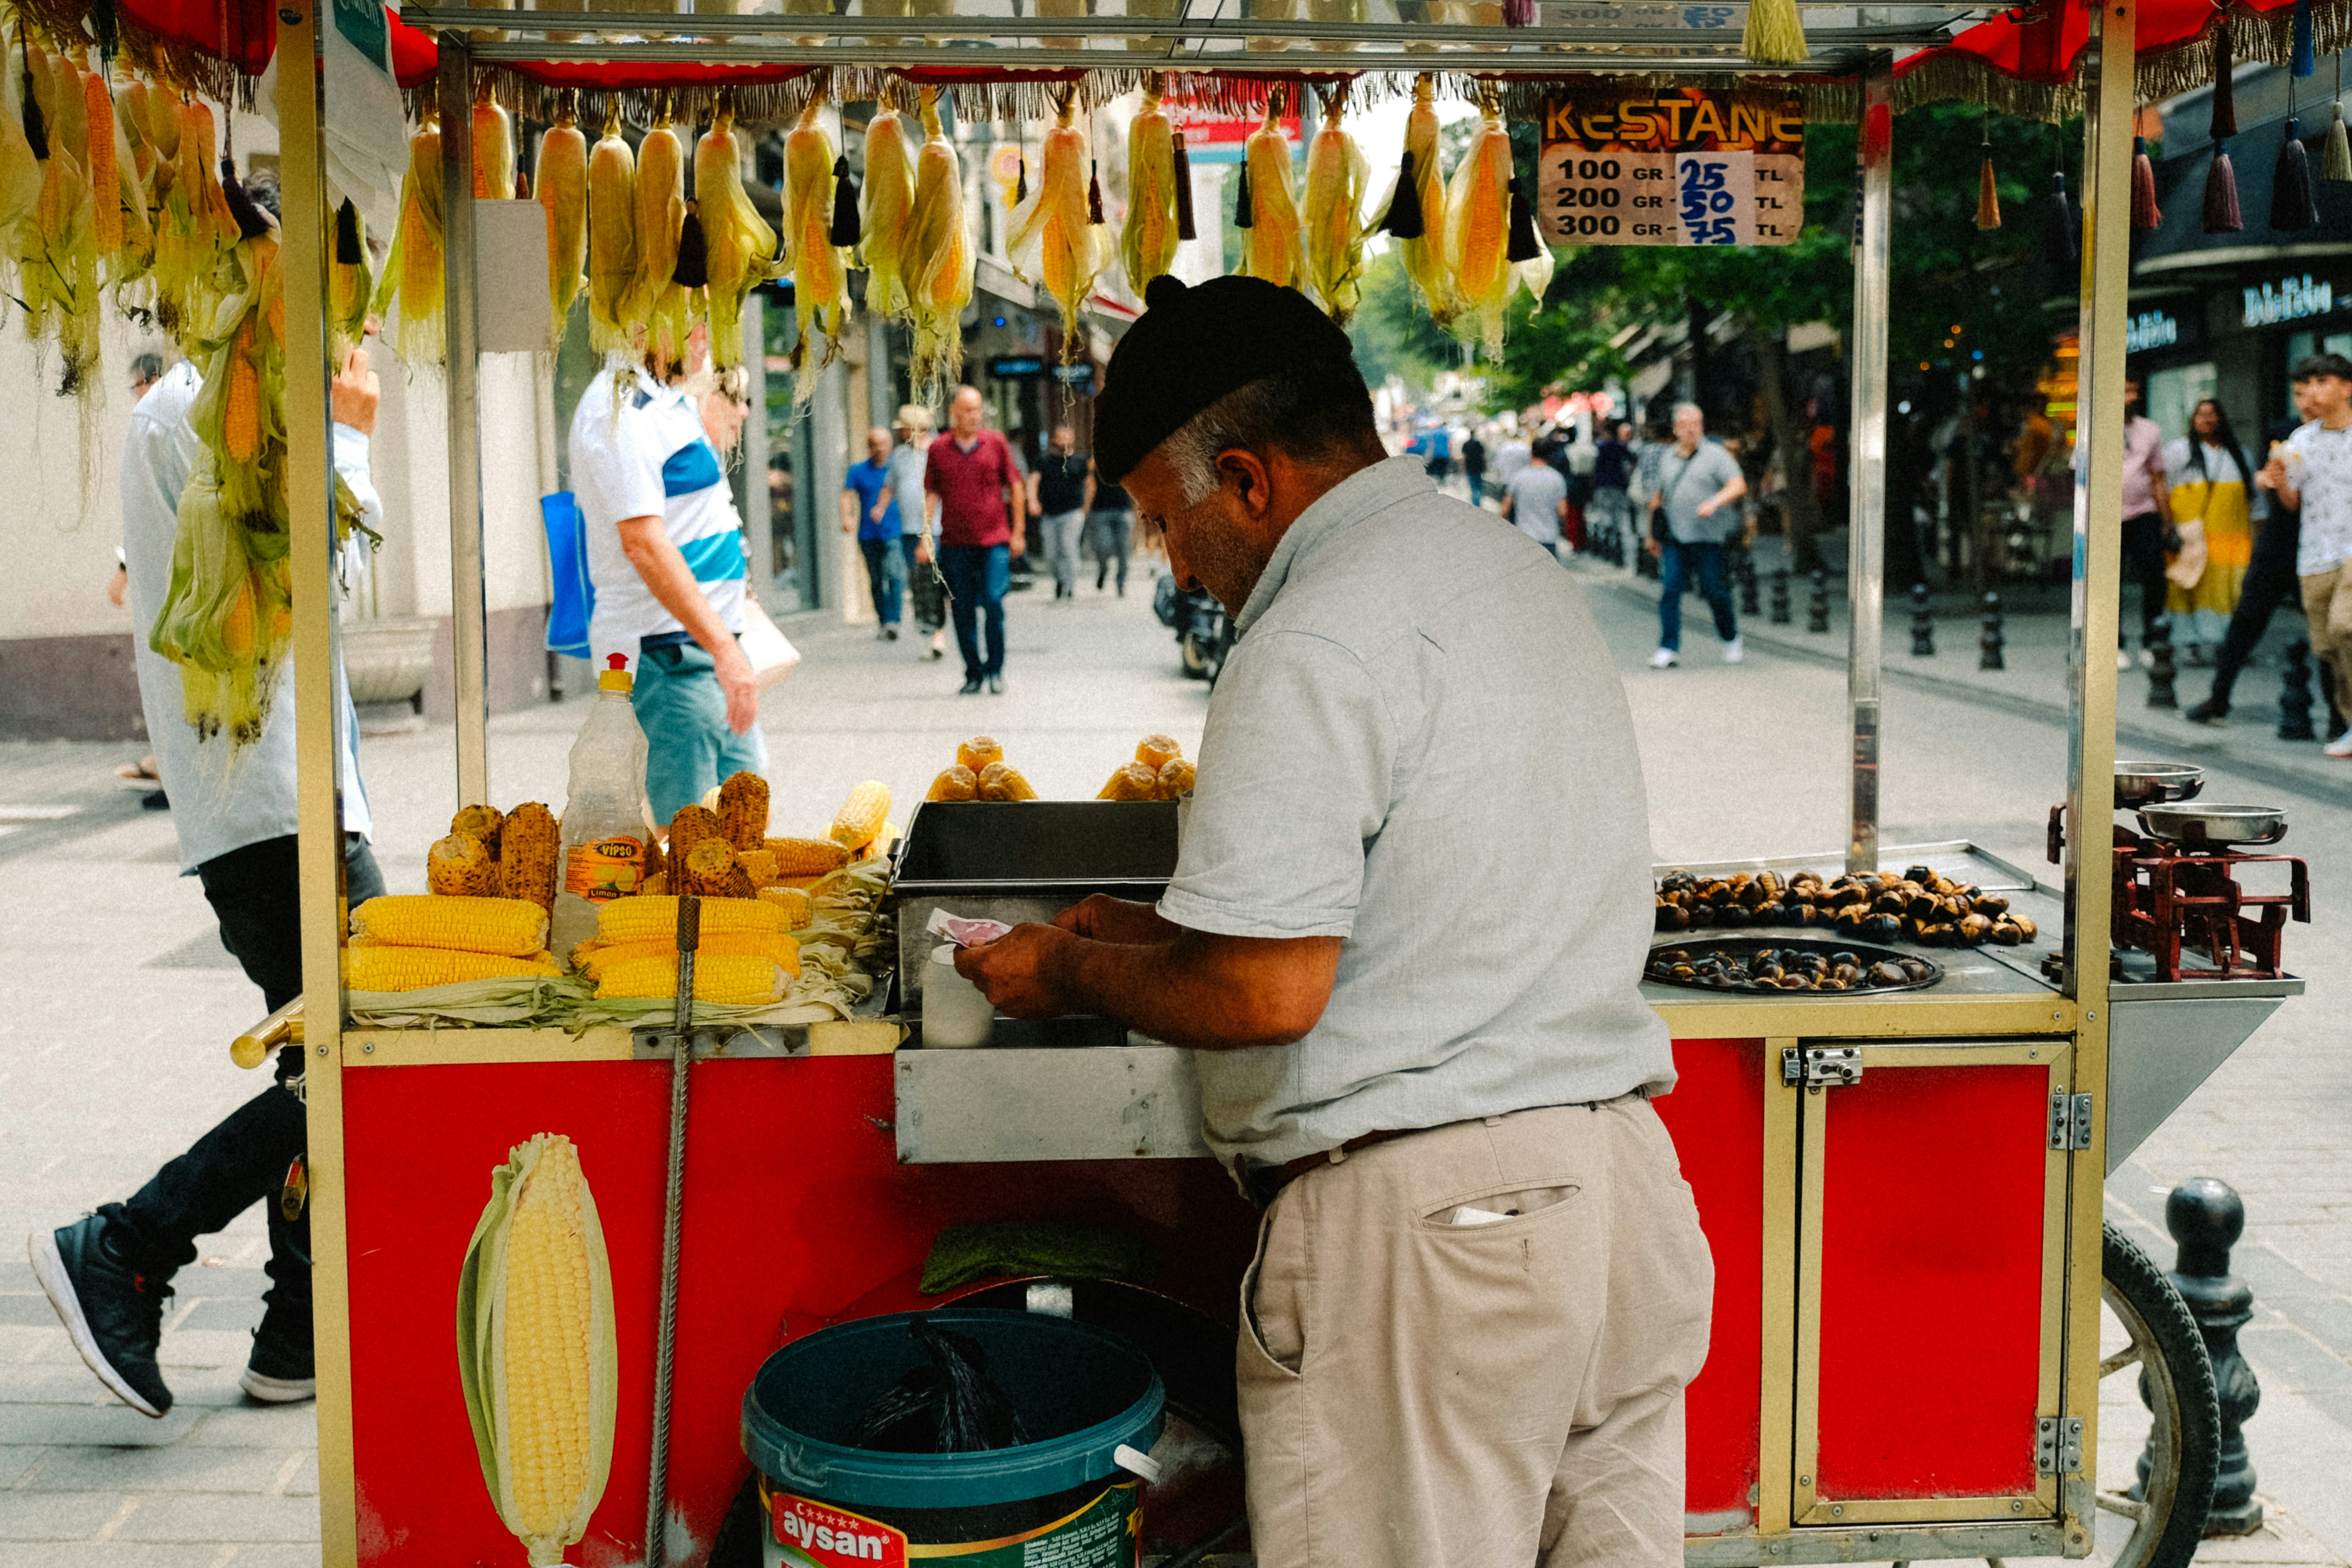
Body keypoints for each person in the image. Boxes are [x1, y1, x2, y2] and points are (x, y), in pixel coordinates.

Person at [956, 274, 1713, 1568]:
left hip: (1436, 1256)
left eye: (1160, 520)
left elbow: (1268, 995)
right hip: (1622, 1211)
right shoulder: (1504, 568)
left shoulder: (1308, 634)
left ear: (1245, 478)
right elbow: (1416, 912)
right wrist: (1143, 930)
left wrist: (1074, 965)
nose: (1172, 564)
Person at [32, 176, 387, 1420]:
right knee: (355, 1055)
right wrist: (348, 436)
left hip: (287, 792)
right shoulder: (205, 407)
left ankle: (295, 1332)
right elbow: (322, 575)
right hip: (269, 798)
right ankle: (130, 1241)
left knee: (325, 1058)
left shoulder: (215, 400)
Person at [570, 321, 767, 820]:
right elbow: (643, 543)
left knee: (745, 829)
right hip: (670, 656)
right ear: (643, 322)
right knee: (691, 841)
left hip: (708, 651)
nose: (707, 332)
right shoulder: (619, 408)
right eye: (692, 320)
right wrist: (724, 647)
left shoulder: (666, 398)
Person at [2257, 351, 2352, 758]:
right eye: (2306, 384)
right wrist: (2275, 481)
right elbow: (2292, 501)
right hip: (2316, 553)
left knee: (2345, 626)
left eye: (2322, 381)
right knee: (2327, 645)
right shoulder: (2301, 441)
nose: (2311, 392)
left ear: (2346, 387)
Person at [927, 385, 1027, 694]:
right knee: (962, 607)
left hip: (994, 539)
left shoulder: (995, 443)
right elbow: (932, 493)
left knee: (994, 602)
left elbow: (1016, 486)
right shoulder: (939, 448)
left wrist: (1019, 532)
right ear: (953, 412)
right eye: (968, 410)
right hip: (955, 542)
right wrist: (925, 537)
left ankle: (996, 670)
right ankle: (973, 672)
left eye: (978, 409)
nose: (975, 416)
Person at [1646, 402, 1748, 667]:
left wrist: (1714, 502)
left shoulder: (1716, 455)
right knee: (1670, 591)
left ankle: (1730, 637)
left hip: (1707, 538)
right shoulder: (1667, 458)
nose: (1692, 430)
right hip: (1674, 537)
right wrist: (1652, 535)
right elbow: (1657, 499)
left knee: (1715, 590)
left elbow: (1738, 485)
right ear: (1676, 429)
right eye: (1686, 425)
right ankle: (1668, 648)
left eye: (1697, 424)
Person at [2162, 399, 2254, 666]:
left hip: (2234, 541)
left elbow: (2255, 501)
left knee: (2234, 590)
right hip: (2193, 539)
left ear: (2222, 419)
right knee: (2190, 588)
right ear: (2192, 420)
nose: (2207, 419)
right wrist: (2168, 525)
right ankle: (2190, 644)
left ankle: (2230, 645)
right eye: (2200, 414)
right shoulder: (2178, 452)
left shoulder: (2240, 454)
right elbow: (2164, 490)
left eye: (2212, 414)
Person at [890, 403, 947, 660]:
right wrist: (880, 507)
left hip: (937, 529)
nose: (901, 433)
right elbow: (890, 486)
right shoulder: (900, 456)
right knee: (919, 581)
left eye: (903, 429)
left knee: (932, 582)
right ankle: (933, 630)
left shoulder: (940, 451)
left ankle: (938, 634)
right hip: (908, 529)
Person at [841, 426, 904, 639]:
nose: (880, 448)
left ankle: (894, 621)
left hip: (894, 531)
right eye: (875, 444)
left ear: (890, 445)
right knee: (877, 580)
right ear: (869, 446)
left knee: (895, 575)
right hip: (868, 534)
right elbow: (847, 496)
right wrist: (846, 518)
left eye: (884, 444)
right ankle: (884, 621)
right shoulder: (858, 471)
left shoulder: (897, 468)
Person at [1029, 424, 1092, 600]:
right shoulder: (1044, 460)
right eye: (1060, 436)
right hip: (1050, 514)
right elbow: (1033, 481)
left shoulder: (1079, 461)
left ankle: (1070, 585)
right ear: (1054, 439)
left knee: (1068, 548)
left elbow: (1090, 484)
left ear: (1072, 438)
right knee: (1050, 553)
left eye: (1067, 436)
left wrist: (1085, 509)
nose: (1063, 440)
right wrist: (1033, 501)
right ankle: (1060, 580)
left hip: (1072, 513)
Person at [1499, 441, 1571, 557]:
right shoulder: (1557, 478)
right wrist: (1564, 531)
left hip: (1525, 538)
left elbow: (1505, 509)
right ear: (1550, 455)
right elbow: (1562, 512)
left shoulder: (1519, 477)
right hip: (1549, 538)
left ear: (1531, 453)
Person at [1085, 455, 1135, 595]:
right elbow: (1089, 481)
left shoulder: (1127, 460)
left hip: (1123, 510)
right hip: (1100, 510)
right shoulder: (1094, 460)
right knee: (1103, 547)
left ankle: (1121, 583)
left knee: (1124, 550)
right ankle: (1103, 569)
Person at [1590, 419, 1634, 554]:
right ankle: (1617, 544)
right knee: (1618, 515)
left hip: (1603, 485)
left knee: (1605, 514)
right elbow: (1632, 461)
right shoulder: (1621, 446)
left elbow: (1593, 467)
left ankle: (1607, 545)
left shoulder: (1599, 447)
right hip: (1618, 484)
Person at [1460, 427, 1487, 504]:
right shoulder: (1478, 444)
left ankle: (1475, 500)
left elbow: (1464, 456)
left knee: (1473, 485)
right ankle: (1478, 499)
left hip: (1470, 466)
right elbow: (1483, 455)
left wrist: (1462, 468)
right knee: (1479, 483)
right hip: (1479, 466)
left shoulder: (1466, 444)